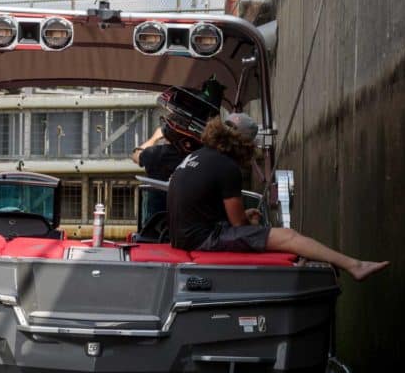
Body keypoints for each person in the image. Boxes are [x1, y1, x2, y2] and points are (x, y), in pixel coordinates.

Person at [167, 111, 389, 281]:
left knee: (279, 235)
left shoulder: (195, 157)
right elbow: (238, 224)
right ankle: (354, 266)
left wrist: (244, 219)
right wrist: (250, 222)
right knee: (288, 236)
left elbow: (202, 209)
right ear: (243, 144)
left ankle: (352, 265)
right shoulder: (226, 166)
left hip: (181, 238)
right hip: (203, 240)